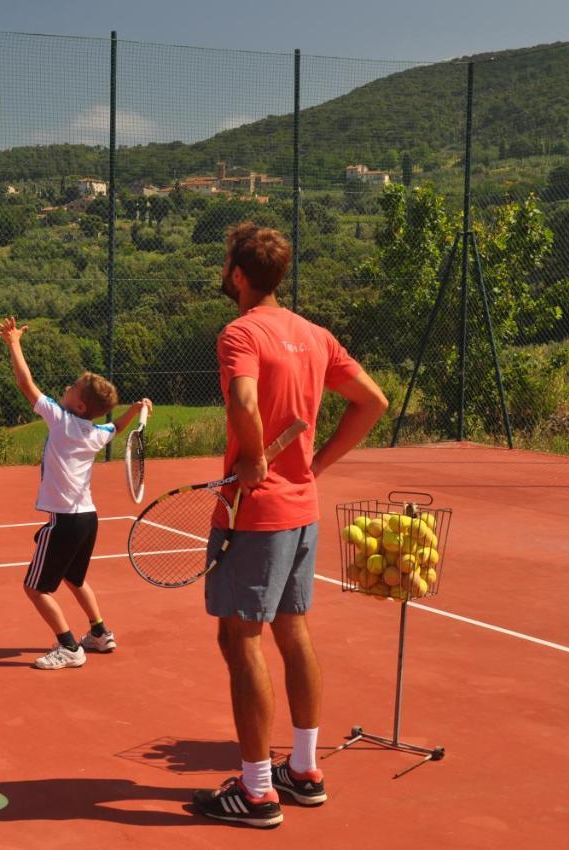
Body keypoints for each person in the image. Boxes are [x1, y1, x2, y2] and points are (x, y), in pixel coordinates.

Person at [191, 223, 388, 828]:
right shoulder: (314, 334)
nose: (226, 273)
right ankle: (303, 771)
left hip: (257, 514)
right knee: (292, 630)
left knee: (239, 639)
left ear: (240, 276)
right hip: (300, 510)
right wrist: (316, 467)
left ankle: (256, 793)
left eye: (229, 264)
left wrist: (252, 456)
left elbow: (244, 403)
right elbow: (372, 402)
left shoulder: (240, 333)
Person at [0, 316, 152, 670]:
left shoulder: (62, 421)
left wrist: (14, 342)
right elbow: (115, 426)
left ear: (78, 406)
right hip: (87, 519)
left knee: (36, 589)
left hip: (65, 522)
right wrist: (137, 409)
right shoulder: (95, 433)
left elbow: (25, 384)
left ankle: (69, 647)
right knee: (73, 578)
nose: (66, 387)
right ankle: (99, 633)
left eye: (72, 388)